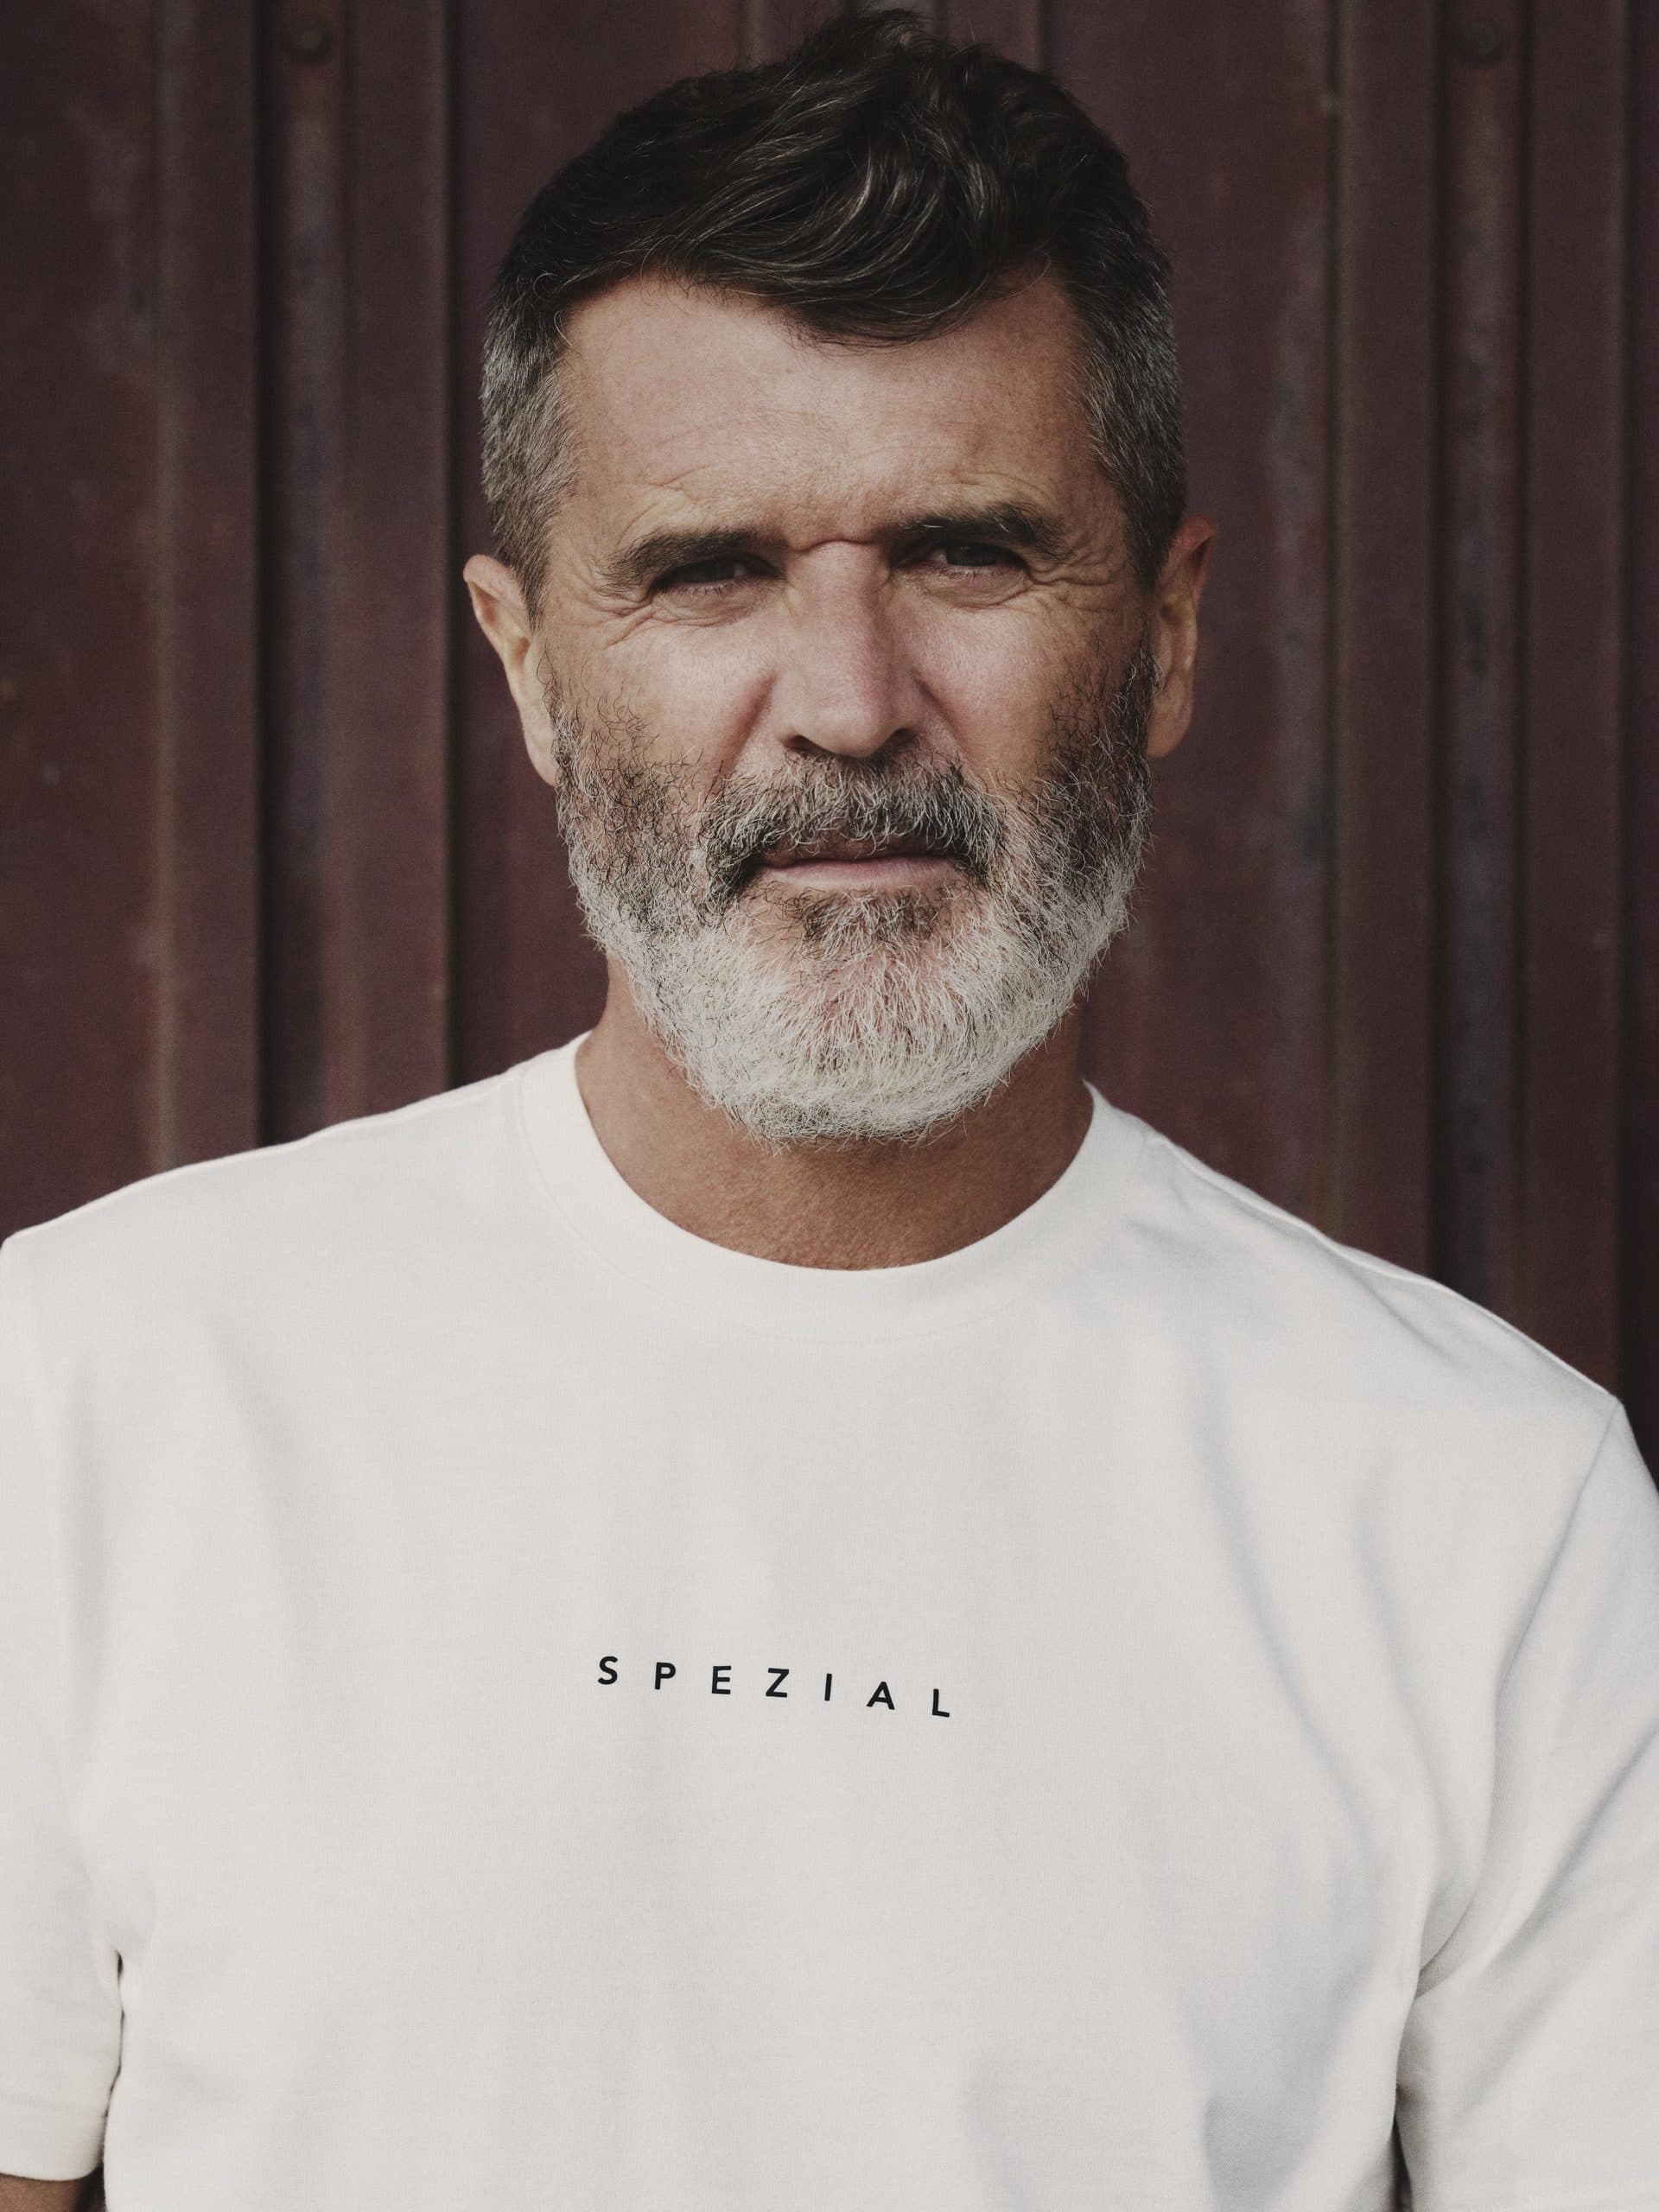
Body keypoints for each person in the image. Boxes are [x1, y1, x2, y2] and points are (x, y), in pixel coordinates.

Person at [3, 11, 1656, 2209]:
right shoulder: (100, 1385)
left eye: (968, 554)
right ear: (526, 662)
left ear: (1167, 638)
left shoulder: (1489, 1511)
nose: (853, 707)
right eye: (712, 571)